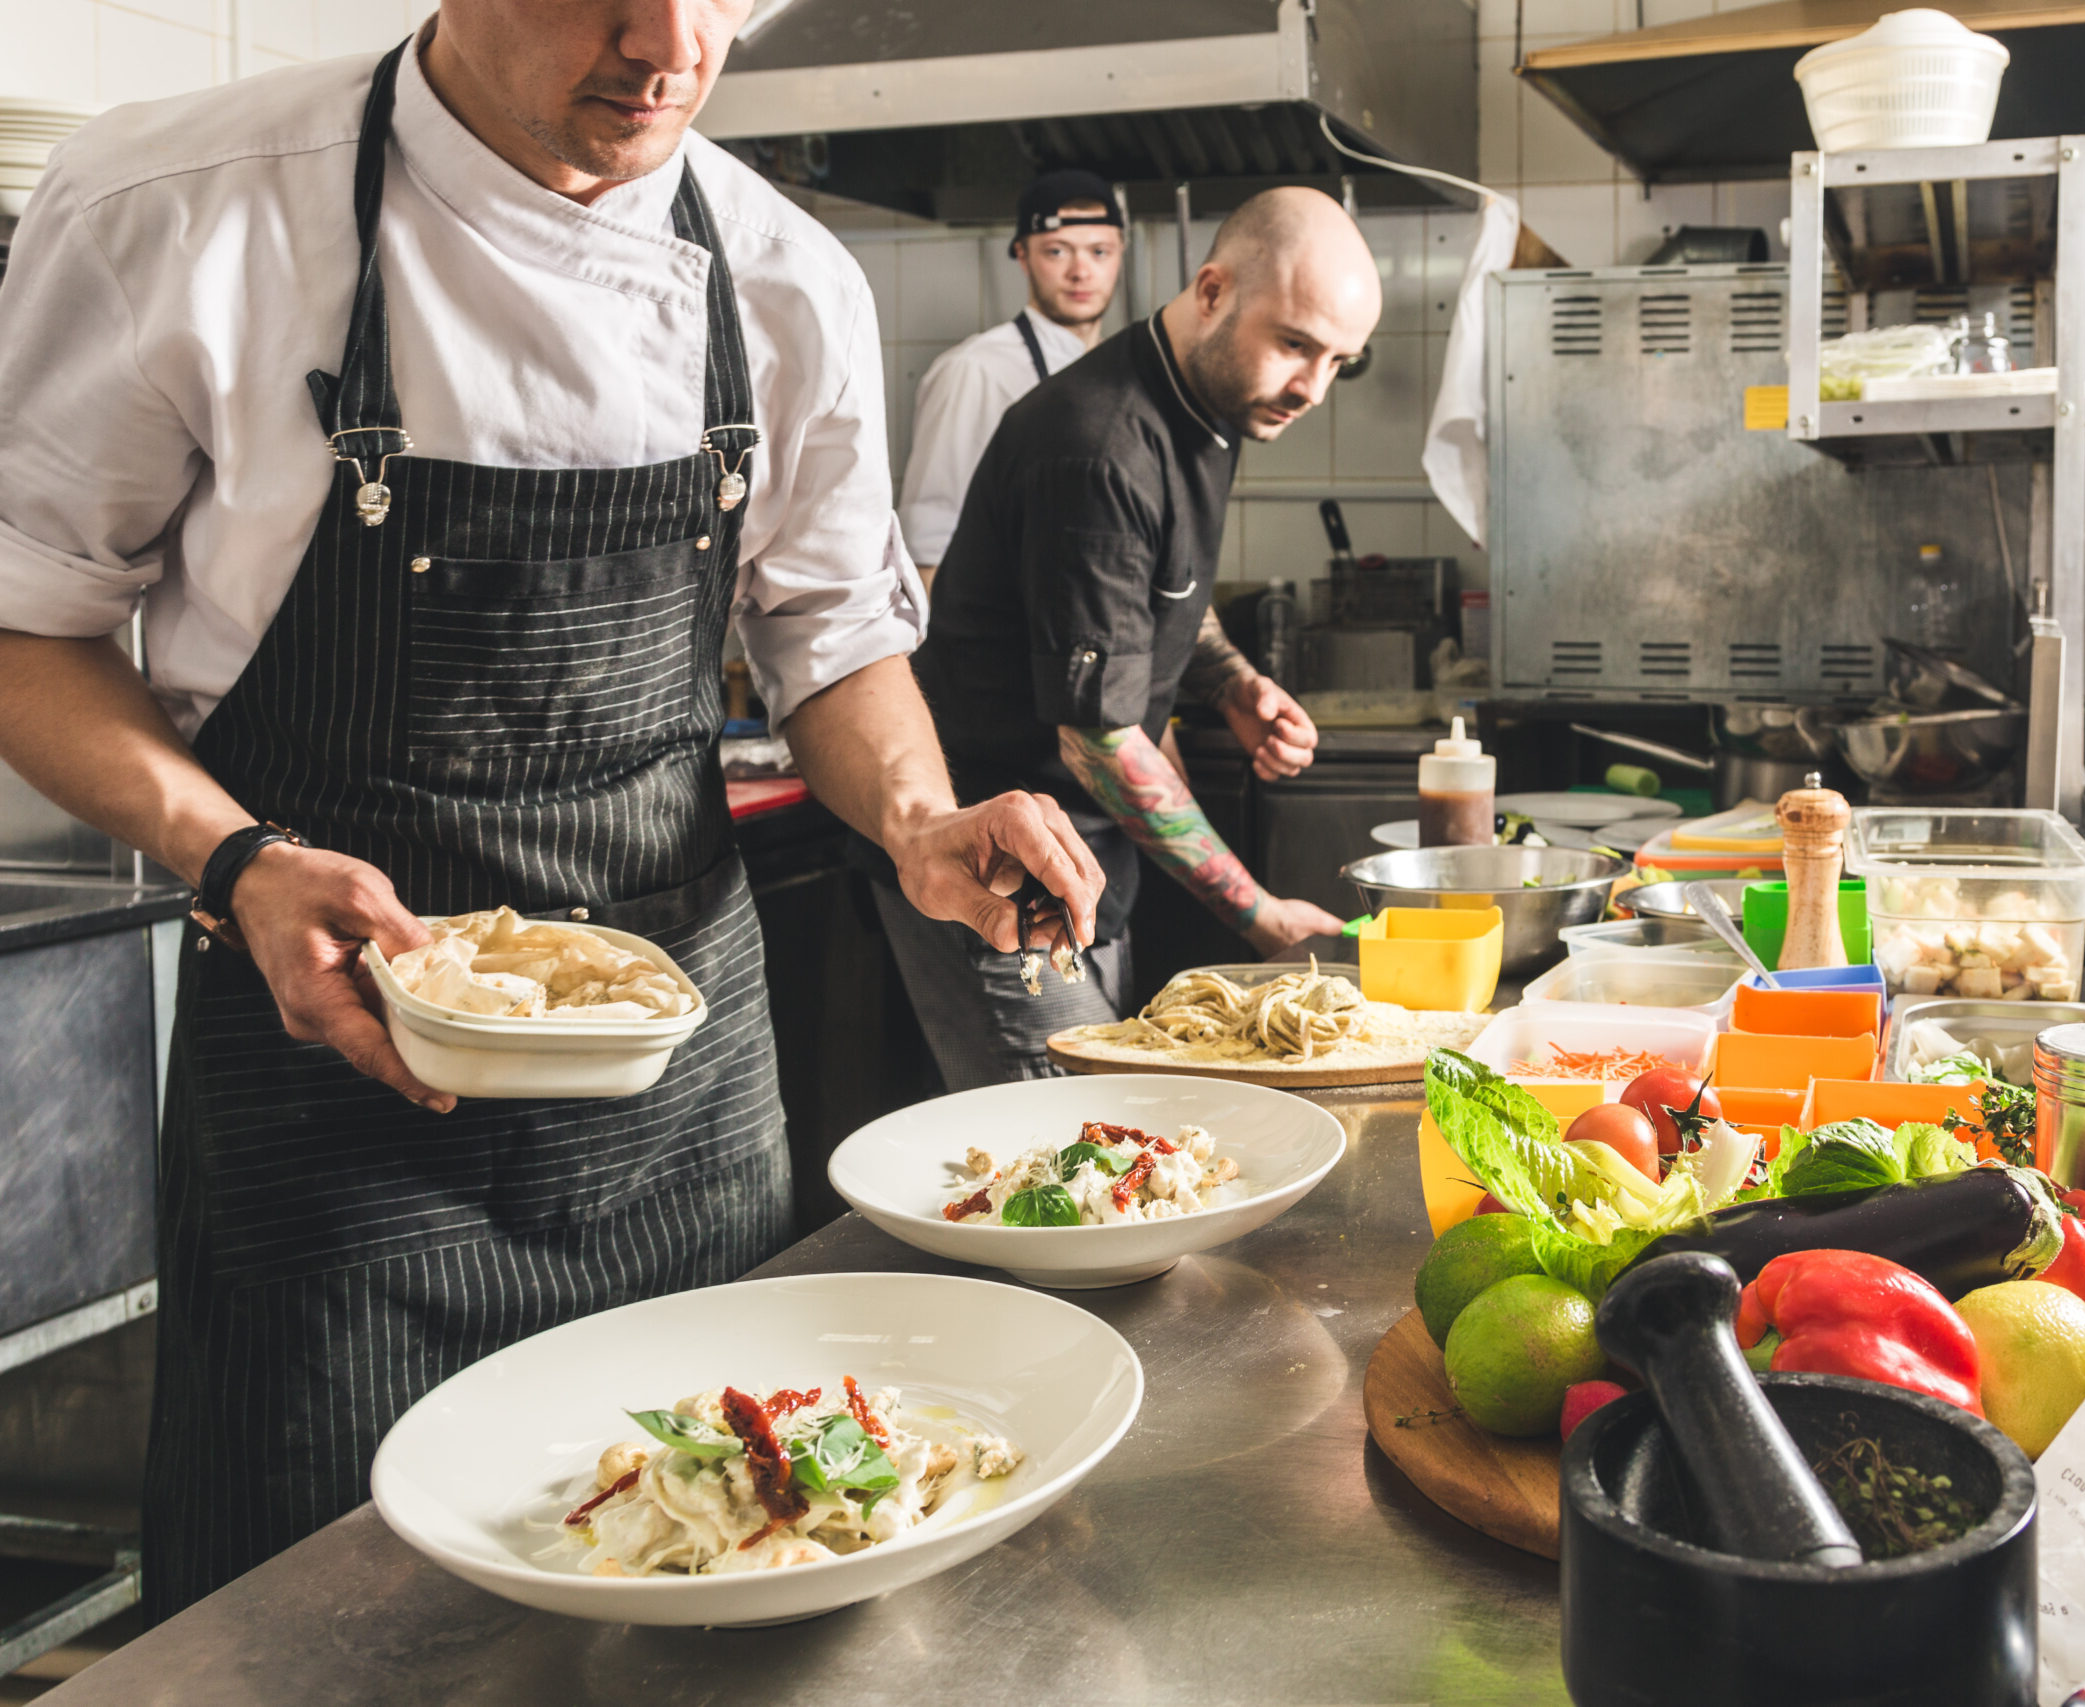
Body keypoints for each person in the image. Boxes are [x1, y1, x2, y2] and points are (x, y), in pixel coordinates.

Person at [0, 0, 1100, 1617]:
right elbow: (30, 627)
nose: (667, 44)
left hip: (682, 1116)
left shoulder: (787, 279)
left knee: (728, 1588)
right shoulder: (186, 210)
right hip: (334, 1105)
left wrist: (920, 818)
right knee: (332, 1631)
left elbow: (833, 638)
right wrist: (231, 859)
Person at [886, 187, 1381, 1088]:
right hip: (1003, 877)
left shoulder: (1217, 405)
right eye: (1297, 344)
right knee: (1066, 1162)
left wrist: (1230, 682)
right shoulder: (1098, 448)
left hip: (1092, 866)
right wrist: (1261, 914)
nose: (1313, 388)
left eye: (1340, 359)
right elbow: (1100, 739)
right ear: (1212, 290)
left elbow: (1166, 588)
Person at [899, 169, 1125, 588]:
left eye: (1099, 252)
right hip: (1004, 638)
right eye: (1057, 252)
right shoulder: (976, 369)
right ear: (1022, 256)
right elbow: (929, 544)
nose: (1081, 271)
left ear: (1119, 254)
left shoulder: (1123, 372)